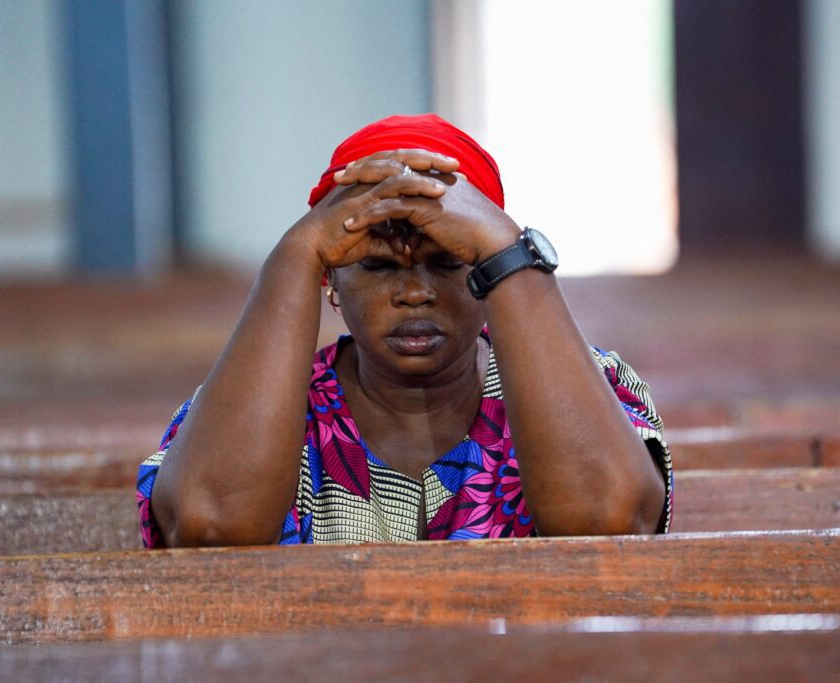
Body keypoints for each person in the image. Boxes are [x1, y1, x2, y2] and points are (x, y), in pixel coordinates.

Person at [137, 114, 673, 547]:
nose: (415, 292)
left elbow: (610, 521)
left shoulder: (596, 382)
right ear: (331, 281)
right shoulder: (254, 399)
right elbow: (211, 524)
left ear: (488, 276)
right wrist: (297, 252)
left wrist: (508, 249)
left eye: (447, 263)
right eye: (377, 266)